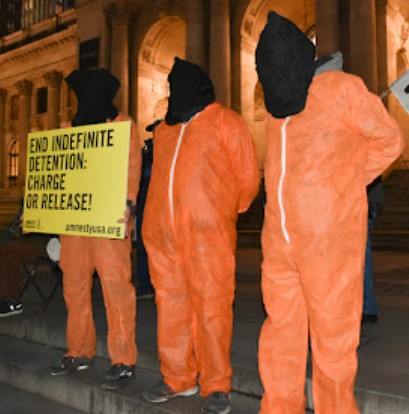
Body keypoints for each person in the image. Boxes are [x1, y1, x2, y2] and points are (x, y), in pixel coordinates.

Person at [255, 12, 404, 414]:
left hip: (330, 240)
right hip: (279, 241)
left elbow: (389, 140)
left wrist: (345, 185)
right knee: (280, 334)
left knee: (333, 338)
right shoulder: (277, 102)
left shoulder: (342, 88)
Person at [141, 57, 260, 414]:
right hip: (162, 235)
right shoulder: (164, 130)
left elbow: (249, 177)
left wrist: (222, 212)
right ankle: (178, 378)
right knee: (171, 307)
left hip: (209, 236)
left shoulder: (226, 122)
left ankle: (215, 384)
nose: (175, 93)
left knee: (212, 308)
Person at [49, 69, 142, 391]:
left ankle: (123, 359)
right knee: (74, 288)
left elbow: (132, 169)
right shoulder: (65, 130)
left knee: (116, 289)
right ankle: (79, 350)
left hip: (108, 223)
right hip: (74, 226)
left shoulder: (122, 126)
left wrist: (128, 204)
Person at [0, 199, 44, 317]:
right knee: (9, 252)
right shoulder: (29, 199)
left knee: (8, 249)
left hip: (44, 241)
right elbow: (16, 227)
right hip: (25, 239)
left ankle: (10, 300)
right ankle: (9, 300)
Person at [135, 120, 160, 299]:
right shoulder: (146, 153)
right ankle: (145, 283)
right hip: (145, 204)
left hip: (160, 205)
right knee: (144, 246)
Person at [362, 176, 384, 323]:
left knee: (363, 256)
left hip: (362, 203)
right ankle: (367, 307)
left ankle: (367, 306)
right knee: (364, 256)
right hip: (368, 202)